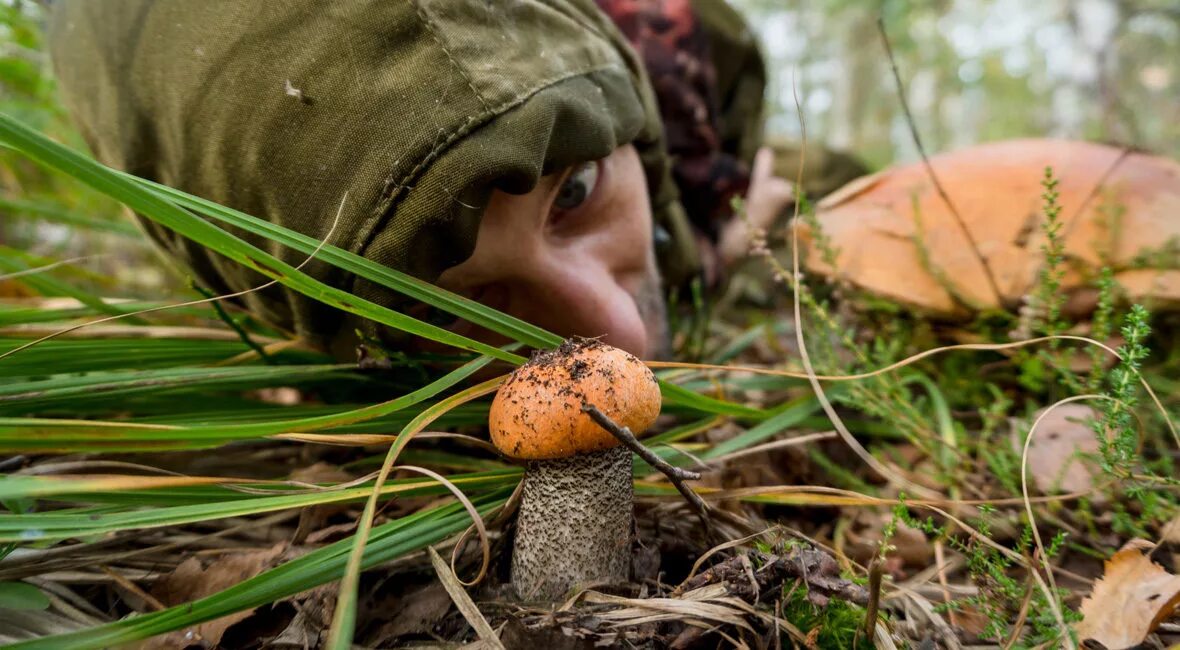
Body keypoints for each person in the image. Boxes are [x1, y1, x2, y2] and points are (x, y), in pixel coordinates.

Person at [48, 0, 797, 360]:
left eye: (573, 193)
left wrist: (728, 238)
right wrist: (721, 255)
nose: (624, 336)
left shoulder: (676, 55)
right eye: (452, 307)